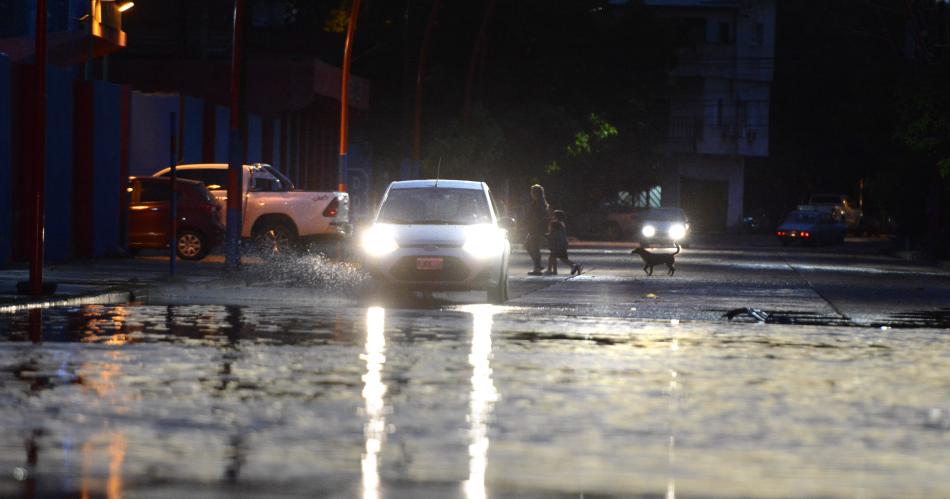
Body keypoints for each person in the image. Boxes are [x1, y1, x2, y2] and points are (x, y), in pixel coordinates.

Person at [545, 209, 582, 276]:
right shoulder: (562, 223)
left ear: (555, 216)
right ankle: (554, 271)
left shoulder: (554, 223)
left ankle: (550, 270)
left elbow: (552, 233)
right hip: (562, 243)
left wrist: (545, 235)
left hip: (556, 243)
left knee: (554, 257)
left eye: (553, 215)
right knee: (560, 257)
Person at [523, 184, 549, 275]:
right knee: (530, 246)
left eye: (532, 192)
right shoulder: (541, 203)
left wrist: (530, 223)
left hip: (535, 229)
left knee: (533, 247)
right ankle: (538, 265)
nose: (531, 194)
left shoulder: (537, 204)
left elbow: (536, 217)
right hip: (536, 228)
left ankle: (537, 268)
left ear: (535, 193)